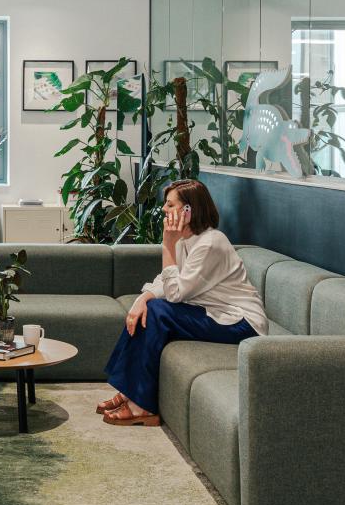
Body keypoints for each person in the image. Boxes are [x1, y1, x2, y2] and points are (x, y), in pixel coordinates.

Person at [98, 178, 265, 426]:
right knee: (149, 308)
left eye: (170, 205)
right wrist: (142, 298)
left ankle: (141, 405)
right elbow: (165, 280)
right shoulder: (187, 240)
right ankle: (129, 392)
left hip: (240, 323)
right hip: (211, 313)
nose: (164, 210)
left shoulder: (211, 243)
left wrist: (167, 245)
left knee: (157, 311)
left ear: (189, 210)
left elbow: (175, 293)